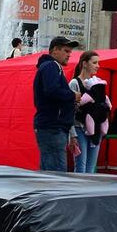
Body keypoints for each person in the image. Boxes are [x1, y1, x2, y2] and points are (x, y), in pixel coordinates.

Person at [33, 36, 80, 172]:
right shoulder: (51, 66)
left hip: (51, 126)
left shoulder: (49, 66)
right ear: (55, 51)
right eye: (66, 51)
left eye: (70, 52)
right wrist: (73, 96)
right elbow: (51, 90)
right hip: (53, 127)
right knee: (56, 175)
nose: (69, 55)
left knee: (49, 172)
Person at [70, 51, 111, 175]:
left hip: (96, 129)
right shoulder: (74, 83)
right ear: (84, 64)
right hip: (79, 128)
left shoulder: (97, 82)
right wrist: (72, 134)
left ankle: (87, 191)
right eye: (94, 62)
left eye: (98, 62)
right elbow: (69, 110)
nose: (97, 65)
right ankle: (78, 191)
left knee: (91, 167)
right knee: (81, 166)